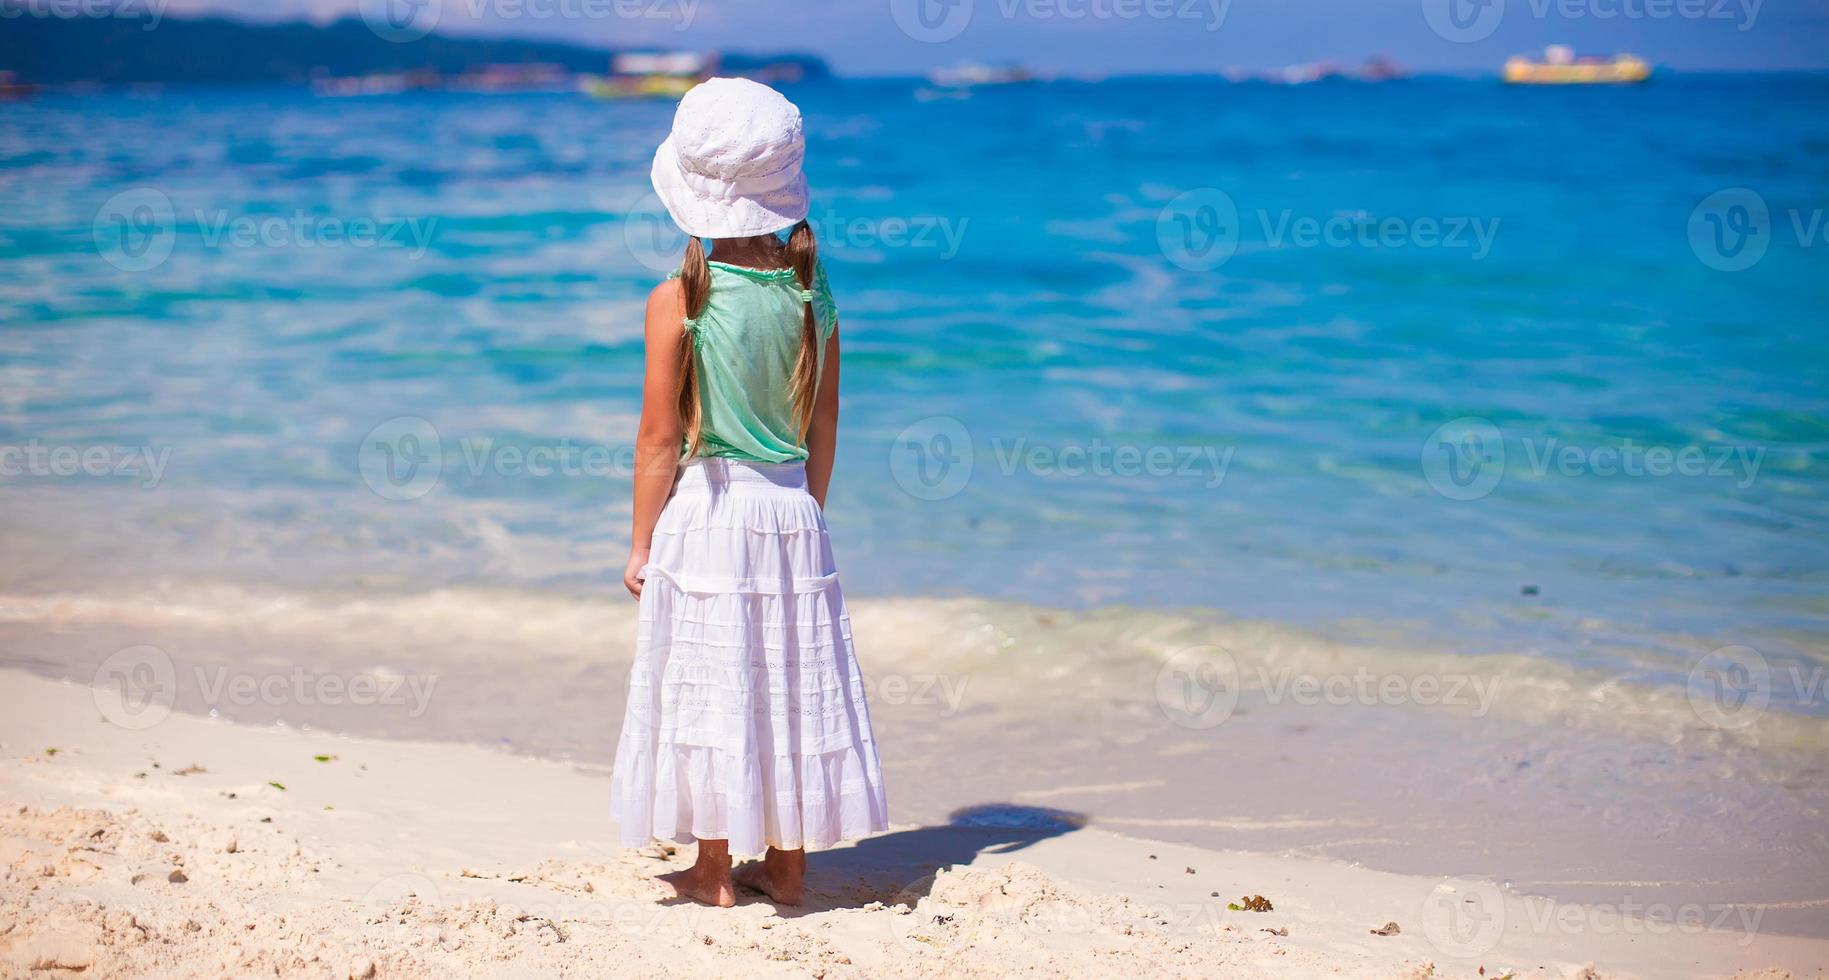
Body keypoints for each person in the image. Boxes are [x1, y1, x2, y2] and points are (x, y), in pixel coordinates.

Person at [609, 78, 889, 908]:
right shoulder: (814, 294)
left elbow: (659, 438)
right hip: (790, 507)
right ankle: (791, 866)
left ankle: (710, 870)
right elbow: (825, 418)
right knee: (786, 684)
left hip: (708, 512)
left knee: (712, 684)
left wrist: (639, 542)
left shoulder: (679, 298)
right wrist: (810, 510)